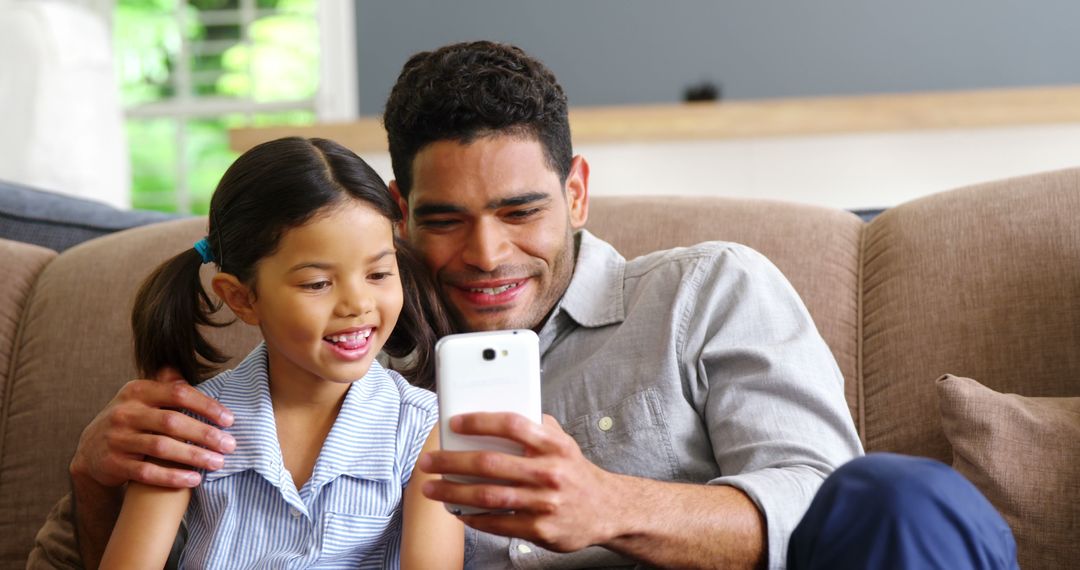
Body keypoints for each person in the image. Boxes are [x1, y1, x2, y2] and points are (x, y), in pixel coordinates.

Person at [37, 41, 1016, 570]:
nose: (488, 253)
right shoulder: (353, 354)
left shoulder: (704, 289)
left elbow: (826, 508)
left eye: (522, 210)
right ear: (395, 213)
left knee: (903, 496)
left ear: (578, 191)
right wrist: (95, 474)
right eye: (446, 219)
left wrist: (612, 506)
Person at [95, 136, 463, 568]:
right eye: (317, 284)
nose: (358, 304)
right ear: (242, 299)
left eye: (379, 273)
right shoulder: (189, 428)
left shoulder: (423, 429)